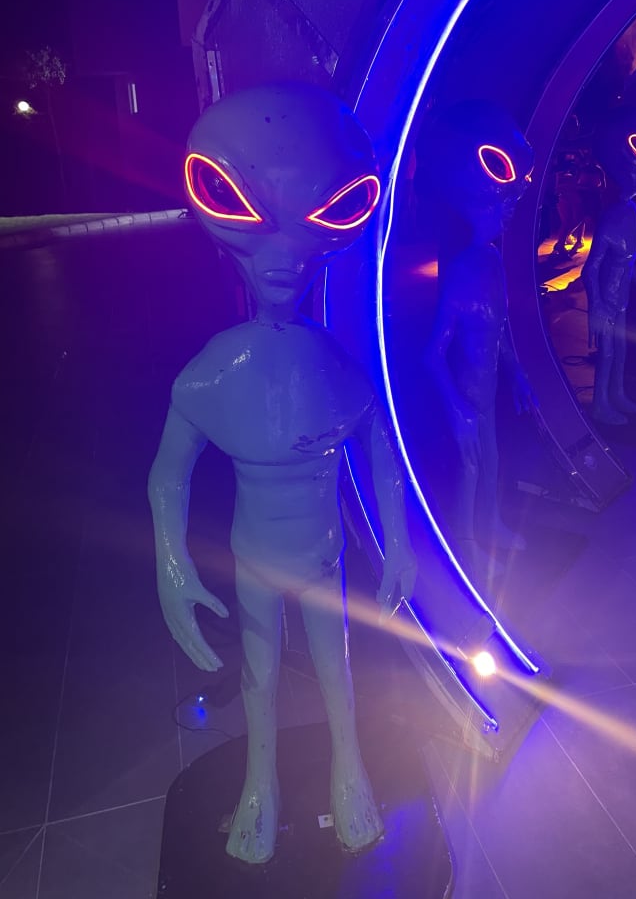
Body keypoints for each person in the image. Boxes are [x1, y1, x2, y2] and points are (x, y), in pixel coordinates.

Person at [148, 83, 416, 864]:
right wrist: (172, 566)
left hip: (321, 555)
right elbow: (168, 474)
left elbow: (380, 449)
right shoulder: (218, 372)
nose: (283, 261)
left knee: (336, 668)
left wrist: (398, 543)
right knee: (261, 677)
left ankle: (348, 769)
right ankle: (259, 785)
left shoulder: (332, 364)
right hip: (259, 558)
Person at [421, 100, 536, 565]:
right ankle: (465, 545)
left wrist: (517, 372)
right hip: (466, 391)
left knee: (490, 461)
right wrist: (455, 407)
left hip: (484, 389)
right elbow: (431, 353)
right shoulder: (460, 271)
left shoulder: (490, 261)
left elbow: (499, 328)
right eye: (503, 197)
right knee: (470, 467)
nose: (511, 207)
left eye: (514, 198)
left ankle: (490, 524)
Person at [582, 106, 636, 425]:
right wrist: (596, 305)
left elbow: (628, 266)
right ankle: (600, 404)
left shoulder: (630, 212)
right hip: (608, 301)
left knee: (620, 351)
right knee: (606, 353)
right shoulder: (612, 218)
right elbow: (590, 268)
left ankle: (616, 394)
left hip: (621, 301)